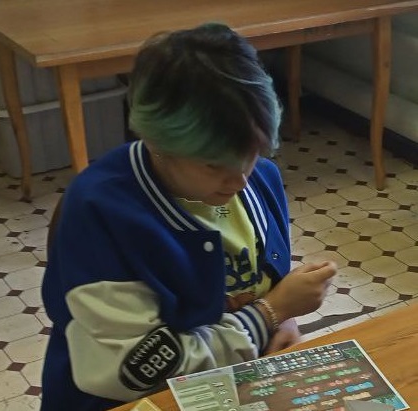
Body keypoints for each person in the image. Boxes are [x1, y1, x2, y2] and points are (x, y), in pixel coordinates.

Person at [40, 22, 337, 411]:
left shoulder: (260, 178)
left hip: (230, 385)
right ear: (156, 141)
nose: (239, 179)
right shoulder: (100, 211)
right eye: (213, 164)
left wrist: (284, 320)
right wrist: (271, 312)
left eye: (251, 153)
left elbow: (264, 285)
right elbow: (135, 371)